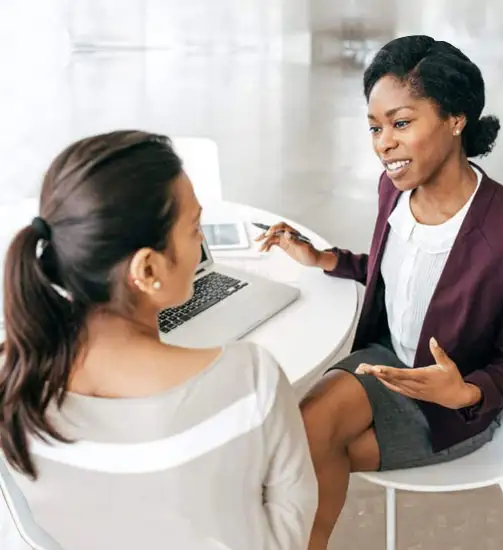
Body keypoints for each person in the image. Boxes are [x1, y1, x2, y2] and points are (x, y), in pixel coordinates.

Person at [257, 35, 503, 549]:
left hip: (451, 406)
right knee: (301, 437)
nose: (382, 143)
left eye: (401, 123)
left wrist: (466, 392)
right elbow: (407, 271)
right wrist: (328, 260)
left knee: (302, 447)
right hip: (383, 362)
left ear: (456, 119)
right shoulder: (392, 188)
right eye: (375, 127)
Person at [0, 131, 317, 550]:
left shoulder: (15, 380)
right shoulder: (251, 379)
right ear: (148, 270)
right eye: (194, 228)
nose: (201, 242)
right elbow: (288, 530)